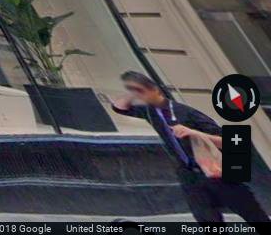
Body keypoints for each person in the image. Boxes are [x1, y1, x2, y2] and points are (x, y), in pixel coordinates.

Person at [114, 70, 270, 223]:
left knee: (251, 213)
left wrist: (194, 133)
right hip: (190, 176)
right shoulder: (150, 112)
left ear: (155, 89)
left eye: (141, 91)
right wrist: (132, 93)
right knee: (206, 219)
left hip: (216, 171)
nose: (139, 96)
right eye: (135, 92)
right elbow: (119, 107)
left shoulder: (185, 112)